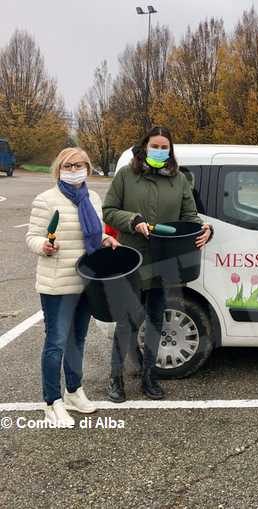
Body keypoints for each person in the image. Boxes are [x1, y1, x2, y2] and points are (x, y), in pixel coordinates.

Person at [103, 126, 212, 402]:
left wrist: (207, 229)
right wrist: (133, 220)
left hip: (164, 262)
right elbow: (109, 210)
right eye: (156, 146)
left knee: (155, 321)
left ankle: (149, 377)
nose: (160, 151)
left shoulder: (179, 179)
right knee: (126, 322)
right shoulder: (127, 176)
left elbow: (190, 216)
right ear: (144, 146)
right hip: (133, 259)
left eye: (165, 147)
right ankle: (115, 379)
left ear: (170, 151)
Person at [26, 147, 119, 427]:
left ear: (88, 168)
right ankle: (51, 402)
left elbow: (93, 231)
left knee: (77, 340)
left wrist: (105, 239)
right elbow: (31, 236)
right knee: (55, 343)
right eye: (69, 165)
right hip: (57, 283)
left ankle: (73, 392)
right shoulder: (46, 200)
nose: (74, 169)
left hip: (87, 282)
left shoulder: (92, 197)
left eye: (79, 164)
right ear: (59, 168)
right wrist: (43, 245)